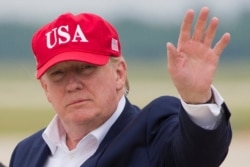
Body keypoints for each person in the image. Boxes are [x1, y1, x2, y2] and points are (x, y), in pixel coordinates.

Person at [10, 6, 232, 167]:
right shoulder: (26, 152)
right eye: (58, 74)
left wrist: (197, 99)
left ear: (119, 73)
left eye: (86, 68)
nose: (72, 85)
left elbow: (198, 156)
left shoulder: (153, 133)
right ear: (45, 88)